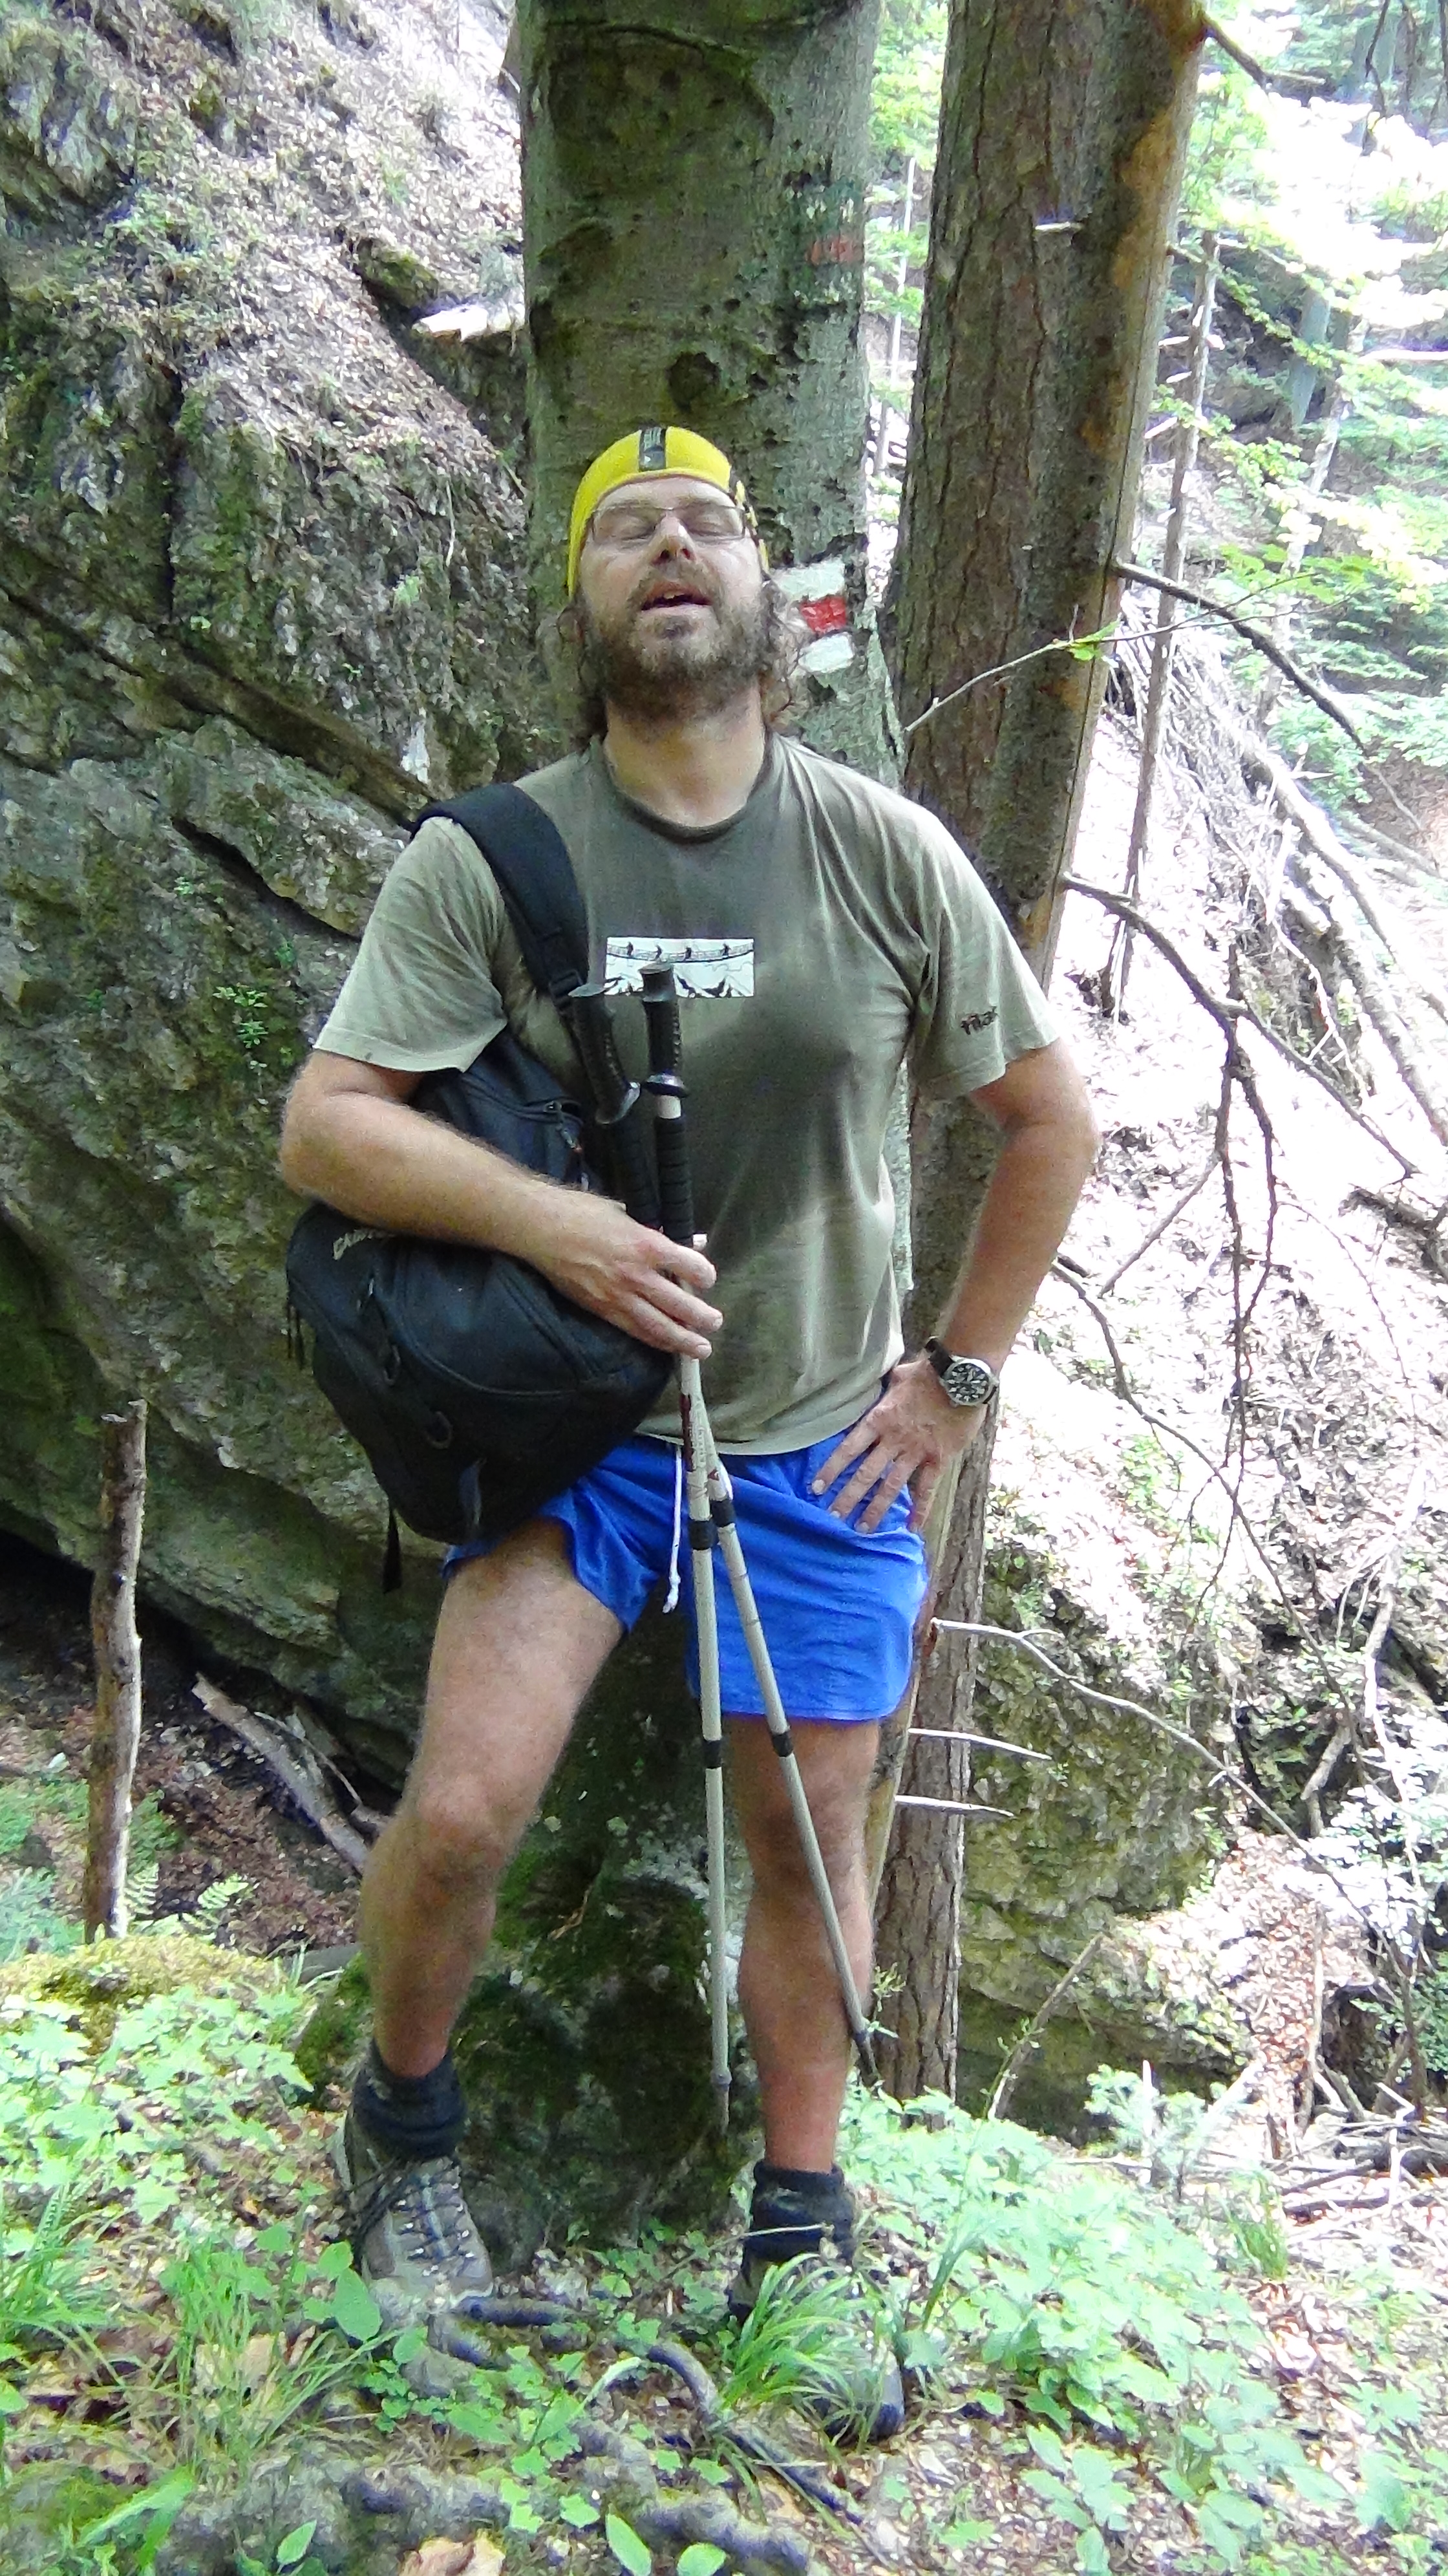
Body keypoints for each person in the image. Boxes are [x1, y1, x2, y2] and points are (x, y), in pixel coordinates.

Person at [279, 424, 1100, 2397]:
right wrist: (556, 1226)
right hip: (581, 1436)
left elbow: (1048, 1120)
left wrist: (955, 1379)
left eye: (706, 523)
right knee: (463, 1813)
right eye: (624, 530)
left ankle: (801, 2236)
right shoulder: (496, 857)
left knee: (810, 1838)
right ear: (580, 604)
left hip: (821, 1437)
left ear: (769, 601)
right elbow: (328, 1126)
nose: (668, 547)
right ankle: (402, 2140)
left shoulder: (879, 849)